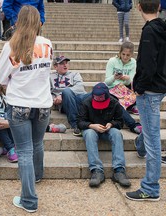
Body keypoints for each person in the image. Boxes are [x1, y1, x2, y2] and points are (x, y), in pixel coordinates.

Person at [0, 5, 52, 213]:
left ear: (18, 21)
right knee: (37, 144)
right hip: (43, 103)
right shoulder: (47, 43)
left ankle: (29, 199)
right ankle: (36, 176)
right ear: (38, 22)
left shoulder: (11, 45)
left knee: (25, 151)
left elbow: (1, 77)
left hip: (19, 102)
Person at [126, 0, 166, 202]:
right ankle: (140, 145)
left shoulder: (150, 31)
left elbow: (148, 64)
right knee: (148, 129)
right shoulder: (162, 28)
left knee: (152, 140)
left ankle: (150, 188)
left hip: (149, 90)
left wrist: (138, 89)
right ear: (158, 7)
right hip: (158, 87)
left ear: (139, 7)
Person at [77, 82, 131, 188]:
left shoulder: (114, 103)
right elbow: (79, 122)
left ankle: (119, 170)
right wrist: (92, 126)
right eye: (96, 97)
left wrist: (111, 124)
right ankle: (96, 170)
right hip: (91, 129)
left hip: (108, 130)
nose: (98, 99)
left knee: (117, 133)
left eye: (101, 97)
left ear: (107, 95)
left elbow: (120, 122)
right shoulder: (86, 102)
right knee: (89, 134)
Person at [105, 41, 142, 135]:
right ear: (120, 52)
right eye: (123, 54)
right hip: (112, 90)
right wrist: (114, 77)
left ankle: (131, 105)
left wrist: (127, 78)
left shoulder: (133, 62)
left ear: (132, 55)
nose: (125, 57)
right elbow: (107, 82)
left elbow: (131, 81)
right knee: (116, 104)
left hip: (125, 90)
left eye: (128, 55)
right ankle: (133, 125)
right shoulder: (112, 61)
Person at [50, 55, 90, 136]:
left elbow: (80, 88)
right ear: (55, 66)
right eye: (61, 63)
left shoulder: (75, 74)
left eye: (66, 63)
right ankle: (75, 125)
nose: (65, 65)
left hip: (79, 98)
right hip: (65, 103)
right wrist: (54, 99)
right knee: (67, 92)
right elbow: (47, 91)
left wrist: (61, 94)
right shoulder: (50, 77)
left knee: (98, 90)